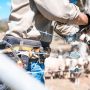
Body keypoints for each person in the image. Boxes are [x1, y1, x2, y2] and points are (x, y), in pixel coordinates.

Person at [2, 0, 89, 85]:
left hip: (32, 57)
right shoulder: (53, 7)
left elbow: (57, 23)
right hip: (24, 56)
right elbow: (60, 11)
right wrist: (86, 19)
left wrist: (83, 36)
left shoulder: (48, 7)